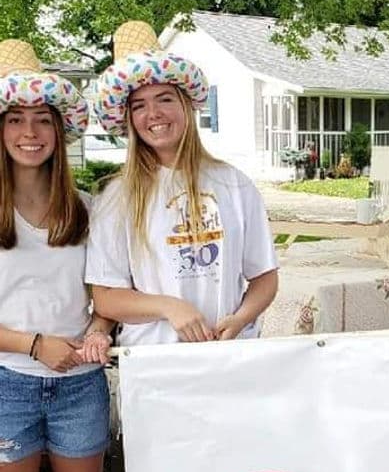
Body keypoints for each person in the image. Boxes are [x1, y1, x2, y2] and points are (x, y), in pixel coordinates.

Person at [0, 40, 114, 472]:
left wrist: (100, 329)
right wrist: (34, 343)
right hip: (7, 387)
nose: (29, 131)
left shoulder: (88, 212)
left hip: (78, 389)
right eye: (15, 119)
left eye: (43, 118)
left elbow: (106, 300)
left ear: (60, 130)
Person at [86, 20, 278, 348]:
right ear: (129, 119)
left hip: (227, 354)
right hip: (154, 363)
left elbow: (265, 277)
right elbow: (106, 298)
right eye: (139, 106)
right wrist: (170, 307)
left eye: (164, 99)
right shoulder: (117, 197)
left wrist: (240, 318)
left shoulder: (234, 184)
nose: (154, 113)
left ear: (187, 104)